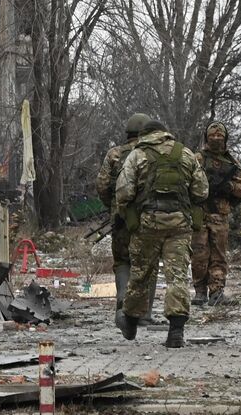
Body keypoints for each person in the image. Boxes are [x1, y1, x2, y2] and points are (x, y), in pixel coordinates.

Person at [114, 120, 208, 348]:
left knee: (141, 273)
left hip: (148, 224)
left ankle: (132, 320)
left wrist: (128, 212)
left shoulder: (137, 155)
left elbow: (124, 191)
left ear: (145, 135)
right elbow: (202, 191)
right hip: (179, 225)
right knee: (177, 276)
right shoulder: (184, 153)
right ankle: (176, 330)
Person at [96, 113, 156, 326]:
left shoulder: (114, 154)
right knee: (148, 264)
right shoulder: (151, 153)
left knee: (123, 262)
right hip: (148, 219)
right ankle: (144, 314)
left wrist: (113, 206)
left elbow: (102, 186)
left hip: (120, 218)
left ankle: (122, 308)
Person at [190, 121, 241, 306]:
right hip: (200, 214)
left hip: (220, 216)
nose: (216, 139)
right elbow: (185, 182)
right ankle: (200, 292)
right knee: (199, 255)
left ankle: (216, 292)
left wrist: (229, 187)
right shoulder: (197, 159)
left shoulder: (231, 163)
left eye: (219, 136)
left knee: (218, 256)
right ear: (206, 138)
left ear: (225, 138)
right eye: (212, 136)